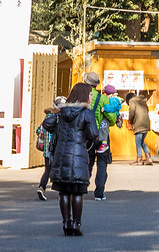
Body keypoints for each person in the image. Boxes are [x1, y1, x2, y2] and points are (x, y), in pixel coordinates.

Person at [42, 82, 98, 236]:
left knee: (64, 192)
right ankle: (76, 224)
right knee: (78, 193)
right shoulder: (86, 113)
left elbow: (47, 124)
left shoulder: (61, 112)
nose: (91, 96)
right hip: (78, 155)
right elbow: (94, 134)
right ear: (84, 95)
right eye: (90, 94)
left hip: (61, 155)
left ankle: (66, 223)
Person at [84, 73, 117, 202]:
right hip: (102, 137)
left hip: (87, 136)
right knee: (102, 163)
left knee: (87, 162)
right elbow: (112, 119)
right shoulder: (103, 99)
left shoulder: (82, 97)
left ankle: (82, 187)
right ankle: (99, 192)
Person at [35, 98, 63, 200]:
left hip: (47, 150)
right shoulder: (59, 118)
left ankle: (41, 187)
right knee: (59, 170)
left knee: (47, 170)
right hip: (56, 149)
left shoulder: (47, 118)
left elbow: (38, 130)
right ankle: (61, 192)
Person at [128, 91, 154, 166]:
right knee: (142, 142)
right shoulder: (143, 101)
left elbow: (132, 112)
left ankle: (139, 159)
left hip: (139, 123)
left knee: (138, 143)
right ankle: (148, 158)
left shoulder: (132, 101)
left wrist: (130, 120)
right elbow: (147, 111)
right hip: (146, 124)